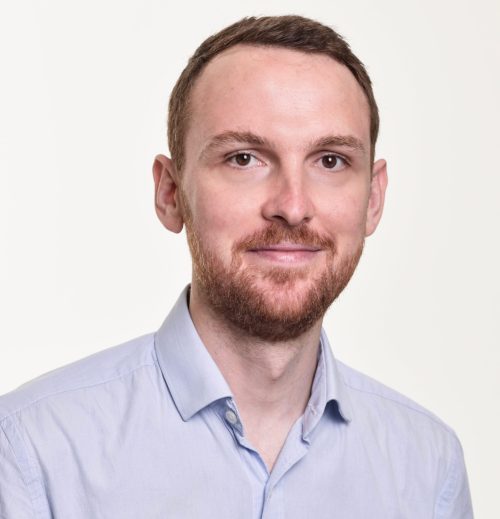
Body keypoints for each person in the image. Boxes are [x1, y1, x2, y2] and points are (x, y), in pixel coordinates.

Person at [0, 15, 473, 518]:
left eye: (330, 160)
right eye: (244, 158)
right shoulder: (32, 452)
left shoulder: (428, 469)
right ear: (170, 193)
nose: (293, 206)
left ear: (373, 200)